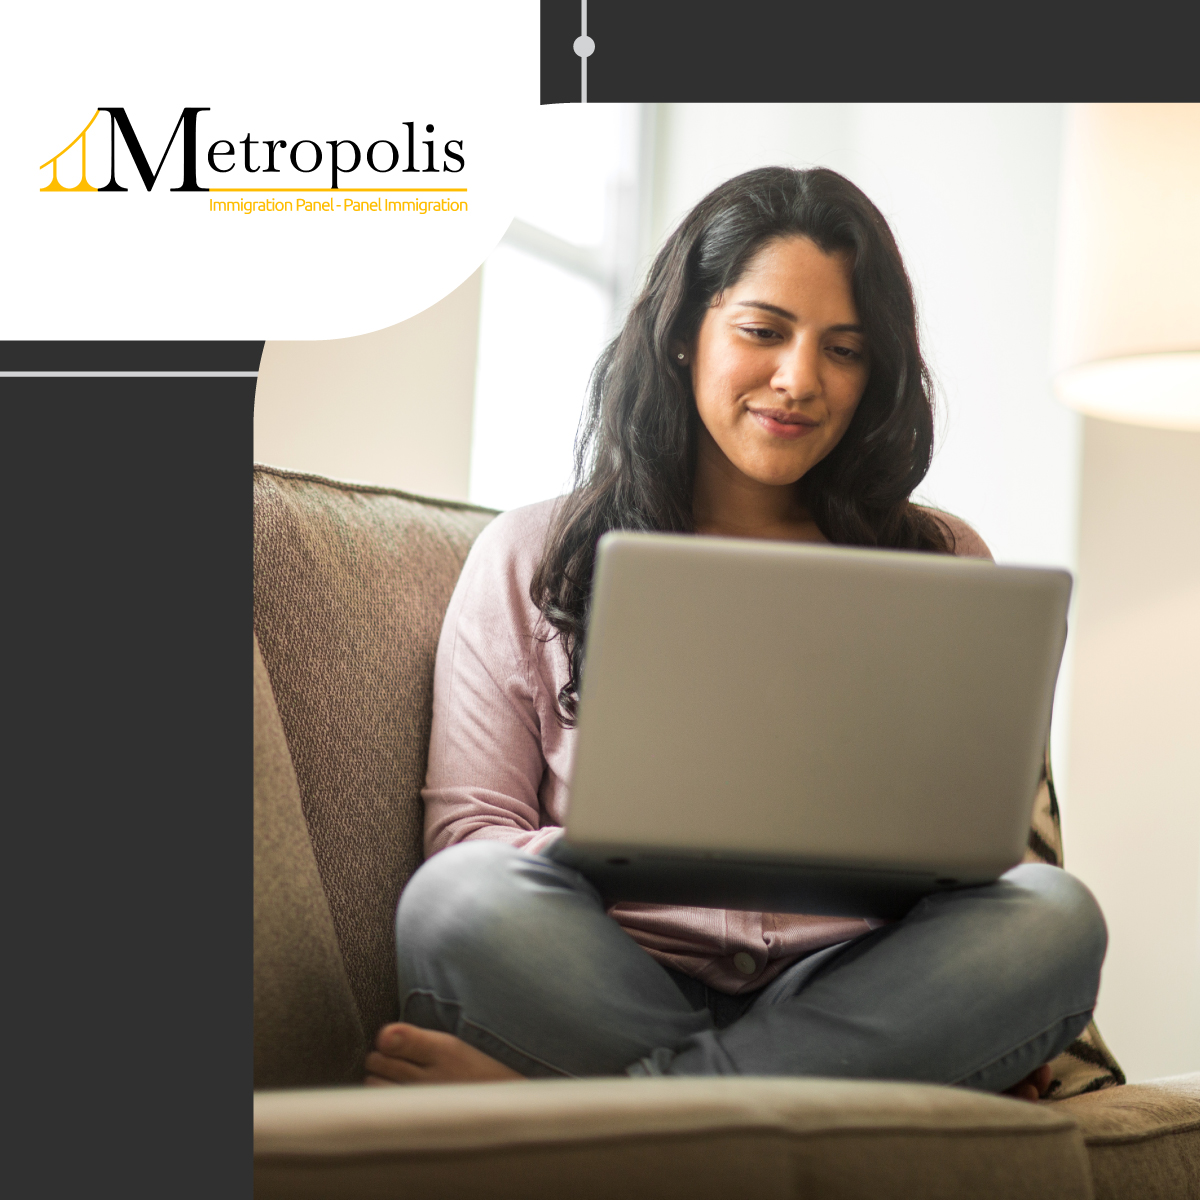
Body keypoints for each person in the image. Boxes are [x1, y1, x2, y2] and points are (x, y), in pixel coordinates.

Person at [364, 167, 1106, 1098]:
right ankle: (749, 1117)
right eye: (763, 331)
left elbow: (981, 858)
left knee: (1053, 917)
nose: (800, 381)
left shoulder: (943, 558)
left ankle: (617, 1124)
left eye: (845, 350)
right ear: (685, 335)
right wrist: (612, 845)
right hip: (610, 975)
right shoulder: (533, 554)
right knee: (455, 902)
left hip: (854, 989)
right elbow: (470, 835)